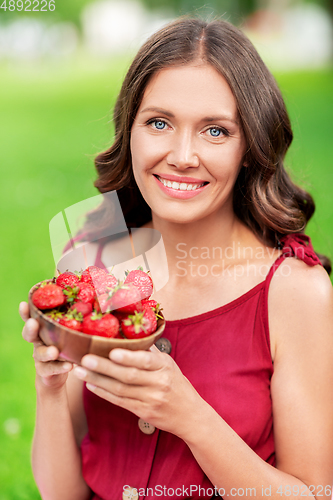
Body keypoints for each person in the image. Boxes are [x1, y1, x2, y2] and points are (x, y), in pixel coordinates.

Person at [19, 16, 333, 500]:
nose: (182, 155)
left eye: (215, 131)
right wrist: (52, 385)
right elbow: (63, 492)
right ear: (130, 131)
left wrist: (190, 416)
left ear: (250, 146)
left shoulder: (293, 292)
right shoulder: (94, 261)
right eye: (159, 123)